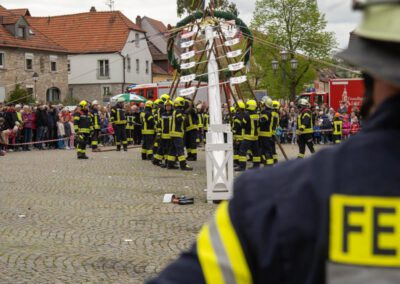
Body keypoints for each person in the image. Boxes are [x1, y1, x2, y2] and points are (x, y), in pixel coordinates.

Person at [150, 2, 400, 283]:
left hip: (248, 148)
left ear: (369, 71)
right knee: (256, 153)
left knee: (255, 154)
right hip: (242, 142)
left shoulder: (270, 201)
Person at [236, 99, 260, 171]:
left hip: (248, 137)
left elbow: (243, 125)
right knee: (256, 152)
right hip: (255, 137)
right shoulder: (257, 115)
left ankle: (242, 167)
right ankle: (256, 166)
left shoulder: (247, 115)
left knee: (242, 152)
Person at [169, 97, 192, 171]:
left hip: (173, 133)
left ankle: (170, 164)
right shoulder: (179, 111)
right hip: (177, 133)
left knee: (172, 150)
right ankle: (183, 165)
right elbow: (179, 120)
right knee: (180, 150)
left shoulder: (175, 111)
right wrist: (184, 117)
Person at [153, 99, 173, 168]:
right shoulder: (163, 115)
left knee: (169, 149)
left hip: (170, 135)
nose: (168, 107)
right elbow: (159, 125)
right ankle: (160, 161)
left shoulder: (173, 114)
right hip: (163, 135)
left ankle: (167, 162)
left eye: (169, 106)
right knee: (163, 149)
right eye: (166, 106)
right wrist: (159, 134)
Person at [258, 96, 274, 167]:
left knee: (267, 150)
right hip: (265, 134)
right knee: (265, 149)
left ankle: (269, 164)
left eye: (263, 104)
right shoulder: (268, 112)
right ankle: (267, 163)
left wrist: (258, 119)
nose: (262, 105)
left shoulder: (266, 113)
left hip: (265, 134)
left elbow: (262, 122)